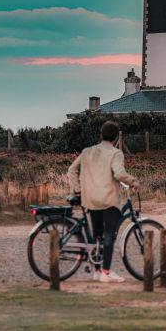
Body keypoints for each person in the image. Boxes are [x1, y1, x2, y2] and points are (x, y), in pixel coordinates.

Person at [67, 120, 140, 283]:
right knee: (109, 235)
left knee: (97, 236)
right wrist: (134, 182)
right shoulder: (116, 153)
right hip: (108, 200)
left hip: (91, 200)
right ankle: (106, 272)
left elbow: (71, 170)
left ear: (100, 135)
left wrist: (78, 191)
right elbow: (120, 174)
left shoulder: (87, 152)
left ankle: (98, 270)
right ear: (115, 138)